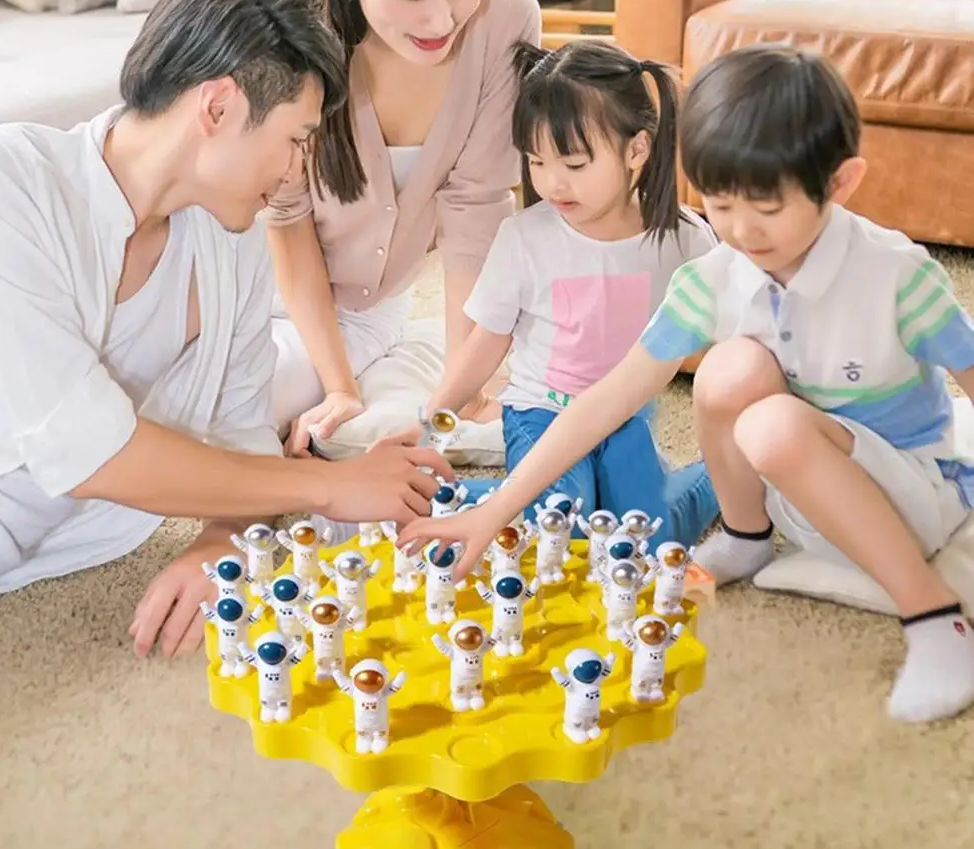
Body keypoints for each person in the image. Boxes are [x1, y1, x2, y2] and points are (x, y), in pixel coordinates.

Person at [395, 43, 974, 725]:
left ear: (840, 183)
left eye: (764, 207)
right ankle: (744, 535)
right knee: (733, 372)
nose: (739, 230)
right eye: (722, 204)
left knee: (769, 422)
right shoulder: (715, 275)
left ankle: (935, 618)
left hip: (912, 498)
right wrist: (492, 513)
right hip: (798, 500)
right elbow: (602, 402)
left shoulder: (897, 276)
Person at [0, 0, 452, 660]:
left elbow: (242, 433)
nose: (298, 173)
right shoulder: (1, 186)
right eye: (295, 140)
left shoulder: (224, 245)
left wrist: (222, 534)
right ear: (218, 106)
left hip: (43, 544)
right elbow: (87, 449)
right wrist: (329, 485)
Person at [385, 39, 719, 543]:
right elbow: (487, 342)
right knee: (562, 522)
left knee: (648, 538)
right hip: (539, 412)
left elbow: (734, 329)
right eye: (537, 162)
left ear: (637, 149)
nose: (551, 183)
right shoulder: (525, 238)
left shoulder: (686, 239)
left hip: (625, 418)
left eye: (574, 164)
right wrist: (432, 422)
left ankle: (720, 478)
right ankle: (444, 499)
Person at [264, 0, 542, 455]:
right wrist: (340, 387)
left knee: (247, 407)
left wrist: (464, 392)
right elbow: (286, 216)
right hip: (243, 278)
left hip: (362, 309)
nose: (441, 21)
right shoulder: (291, 26)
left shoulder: (505, 16)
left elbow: (476, 204)